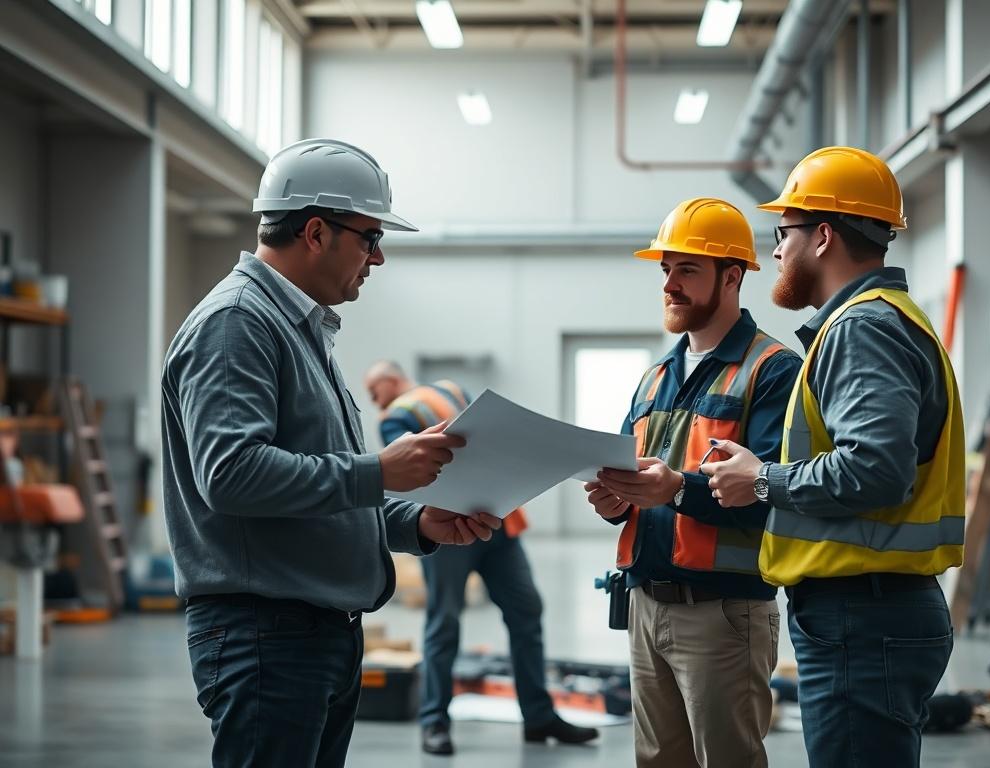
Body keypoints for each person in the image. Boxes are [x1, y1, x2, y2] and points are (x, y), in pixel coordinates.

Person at [161, 138, 500, 768]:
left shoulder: (299, 329)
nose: (377, 257)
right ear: (316, 232)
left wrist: (415, 521)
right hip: (266, 636)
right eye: (370, 237)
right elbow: (231, 476)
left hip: (313, 634)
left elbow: (317, 487)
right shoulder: (237, 323)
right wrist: (380, 473)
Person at [703, 147, 965, 768]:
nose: (774, 251)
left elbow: (874, 470)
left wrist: (761, 479)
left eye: (783, 233)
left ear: (822, 237)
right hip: (874, 609)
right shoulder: (888, 319)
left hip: (861, 612)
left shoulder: (861, 327)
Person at [584, 198, 801, 768]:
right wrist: (613, 503)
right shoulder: (655, 377)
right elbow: (634, 482)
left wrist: (677, 488)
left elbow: (773, 494)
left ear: (732, 277)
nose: (670, 284)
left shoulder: (772, 370)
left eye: (687, 270)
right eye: (665, 270)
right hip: (644, 604)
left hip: (723, 613)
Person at [364, 361, 599, 755]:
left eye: (374, 392)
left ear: (390, 379)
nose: (375, 402)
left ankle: (538, 717)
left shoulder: (399, 415)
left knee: (521, 611)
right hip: (454, 527)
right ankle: (435, 721)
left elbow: (416, 469)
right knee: (446, 622)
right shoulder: (451, 391)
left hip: (487, 524)